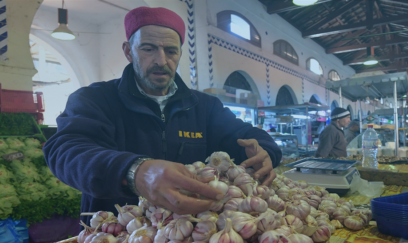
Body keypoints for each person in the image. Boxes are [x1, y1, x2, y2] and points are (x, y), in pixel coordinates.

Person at [43, 7, 282, 224]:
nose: (161, 60)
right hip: (115, 239)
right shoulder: (93, 99)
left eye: (170, 51)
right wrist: (133, 171)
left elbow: (247, 135)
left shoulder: (204, 106)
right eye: (148, 49)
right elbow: (65, 150)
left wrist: (264, 150)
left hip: (188, 240)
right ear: (128, 51)